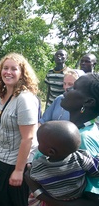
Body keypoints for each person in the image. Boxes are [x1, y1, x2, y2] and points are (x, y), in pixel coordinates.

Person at [0, 53, 39, 206]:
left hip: (14, 163)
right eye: (5, 68)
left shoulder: (25, 99)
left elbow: (28, 138)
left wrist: (18, 170)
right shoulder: (2, 94)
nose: (8, 72)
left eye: (14, 69)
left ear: (22, 73)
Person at [25, 73, 99, 206]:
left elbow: (93, 201)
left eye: (74, 88)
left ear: (88, 101)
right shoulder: (71, 130)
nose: (67, 89)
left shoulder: (83, 138)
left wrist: (39, 193)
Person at [30, 121, 99, 203]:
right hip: (78, 196)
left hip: (54, 199)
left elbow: (34, 178)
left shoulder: (38, 166)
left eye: (39, 143)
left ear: (51, 152)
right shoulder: (80, 158)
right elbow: (95, 172)